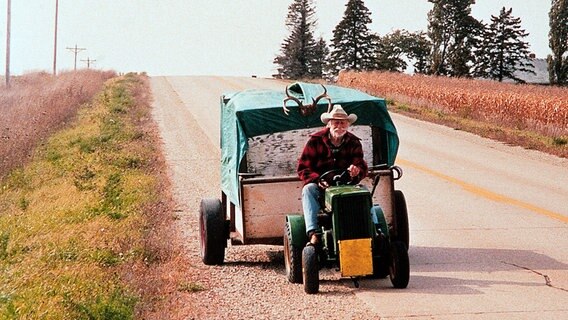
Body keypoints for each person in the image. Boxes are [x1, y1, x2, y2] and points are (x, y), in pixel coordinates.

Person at [297, 104, 368, 246]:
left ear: (348, 125)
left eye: (343, 123)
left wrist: (356, 171)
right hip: (321, 186)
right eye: (336, 122)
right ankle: (313, 233)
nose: (339, 126)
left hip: (346, 185)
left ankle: (374, 232)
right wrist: (317, 180)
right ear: (329, 124)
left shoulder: (354, 142)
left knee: (364, 193)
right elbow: (303, 168)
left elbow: (361, 165)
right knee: (308, 190)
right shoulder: (315, 140)